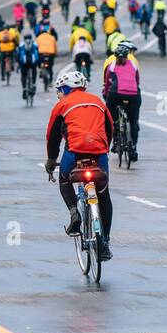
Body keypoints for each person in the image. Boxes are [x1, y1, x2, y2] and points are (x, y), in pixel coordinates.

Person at [45, 70, 113, 258]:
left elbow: (52, 136)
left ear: (66, 89)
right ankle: (105, 242)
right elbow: (109, 127)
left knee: (65, 180)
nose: (58, 94)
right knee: (103, 193)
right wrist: (105, 148)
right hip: (99, 152)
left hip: (74, 152)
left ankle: (74, 212)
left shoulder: (62, 105)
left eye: (59, 90)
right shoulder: (98, 101)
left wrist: (51, 161)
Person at [102, 42, 141, 162]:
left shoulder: (112, 66)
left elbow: (107, 83)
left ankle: (116, 132)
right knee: (133, 121)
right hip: (133, 94)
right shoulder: (133, 65)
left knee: (110, 117)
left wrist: (106, 94)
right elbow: (137, 80)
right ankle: (133, 147)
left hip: (115, 93)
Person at [17, 32, 41, 100]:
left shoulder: (21, 45)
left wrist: (18, 64)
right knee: (34, 71)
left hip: (24, 63)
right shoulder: (34, 44)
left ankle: (24, 89)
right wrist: (38, 64)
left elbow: (18, 55)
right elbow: (38, 54)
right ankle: (33, 84)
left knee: (23, 75)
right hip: (32, 63)